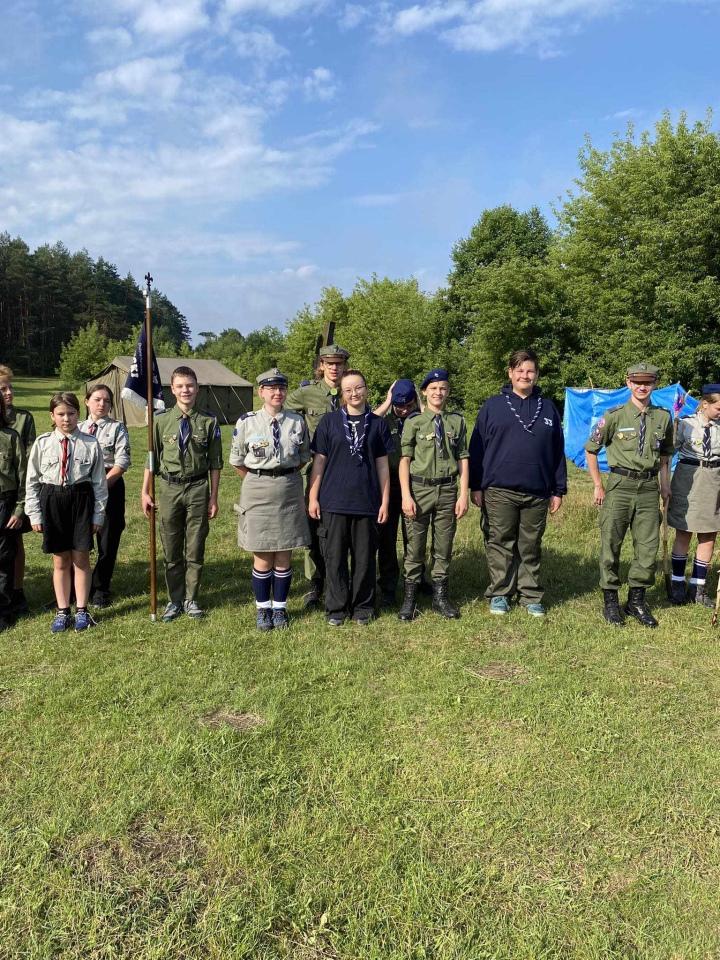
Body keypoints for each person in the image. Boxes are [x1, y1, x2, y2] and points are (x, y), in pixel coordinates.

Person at [469, 349, 566, 617]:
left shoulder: (548, 408)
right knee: (500, 542)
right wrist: (475, 486)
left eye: (530, 371)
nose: (525, 375)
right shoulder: (493, 406)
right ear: (510, 373)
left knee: (530, 544)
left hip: (537, 490)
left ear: (536, 375)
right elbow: (477, 448)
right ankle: (500, 593)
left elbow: (558, 451)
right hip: (499, 489)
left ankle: (531, 594)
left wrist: (558, 489)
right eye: (520, 370)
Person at [585, 362, 674, 628]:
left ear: (655, 384)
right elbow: (591, 449)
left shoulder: (664, 417)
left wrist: (665, 484)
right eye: (637, 382)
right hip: (619, 486)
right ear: (628, 383)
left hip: (648, 488)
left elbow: (667, 453)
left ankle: (636, 601)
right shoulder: (613, 416)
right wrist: (598, 484)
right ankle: (610, 601)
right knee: (611, 545)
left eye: (647, 382)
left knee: (647, 548)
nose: (642, 387)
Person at [308, 369, 393, 626]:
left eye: (359, 388)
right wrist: (313, 497)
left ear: (367, 390)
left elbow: (382, 466)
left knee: (364, 558)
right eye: (348, 390)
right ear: (342, 394)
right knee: (334, 557)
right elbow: (319, 463)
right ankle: (336, 608)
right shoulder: (329, 422)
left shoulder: (378, 424)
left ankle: (363, 607)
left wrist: (385, 500)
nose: (354, 393)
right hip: (333, 500)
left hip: (367, 500)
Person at [230, 368, 311, 631]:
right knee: (263, 553)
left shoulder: (297, 422)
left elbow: (302, 457)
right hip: (257, 489)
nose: (278, 393)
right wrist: (260, 477)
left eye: (282, 388)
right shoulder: (247, 422)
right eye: (271, 388)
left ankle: (280, 608)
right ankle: (263, 608)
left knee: (284, 552)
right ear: (261, 392)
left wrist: (281, 474)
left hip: (289, 488)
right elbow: (237, 461)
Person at [141, 366, 223, 623]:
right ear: (172, 390)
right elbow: (151, 459)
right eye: (180, 386)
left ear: (197, 388)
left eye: (189, 385)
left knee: (195, 546)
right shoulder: (161, 420)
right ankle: (174, 599)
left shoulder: (209, 421)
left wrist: (213, 497)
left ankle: (191, 598)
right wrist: (145, 491)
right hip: (169, 489)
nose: (185, 390)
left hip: (198, 487)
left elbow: (215, 463)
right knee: (171, 546)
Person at [25, 392, 108, 633]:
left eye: (71, 414)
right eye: (60, 414)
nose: (66, 419)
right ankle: (63, 611)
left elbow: (99, 484)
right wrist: (35, 514)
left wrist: (98, 515)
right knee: (60, 560)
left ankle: (82, 610)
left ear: (78, 415)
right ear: (52, 415)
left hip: (81, 501)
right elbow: (32, 482)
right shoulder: (42, 444)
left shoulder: (90, 443)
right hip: (53, 501)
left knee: (81, 558)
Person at [398, 368, 469, 621]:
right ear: (425, 392)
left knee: (444, 546)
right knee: (415, 547)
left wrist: (463, 494)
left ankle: (440, 597)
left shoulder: (456, 422)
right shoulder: (414, 422)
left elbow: (463, 458)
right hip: (419, 489)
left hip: (448, 489)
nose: (439, 392)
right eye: (434, 388)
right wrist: (406, 495)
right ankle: (410, 599)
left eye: (443, 388)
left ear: (448, 392)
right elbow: (405, 460)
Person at [285, 344, 350, 608]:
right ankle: (315, 583)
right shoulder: (306, 393)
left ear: (345, 365)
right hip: (318, 469)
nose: (334, 368)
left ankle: (343, 578)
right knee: (315, 526)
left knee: (345, 526)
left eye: (339, 363)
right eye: (329, 363)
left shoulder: (351, 389)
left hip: (347, 470)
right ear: (321, 365)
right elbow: (284, 412)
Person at [373, 379, 431, 605]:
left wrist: (421, 404)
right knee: (386, 539)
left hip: (415, 484)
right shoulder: (384, 420)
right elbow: (367, 421)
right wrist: (388, 402)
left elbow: (435, 420)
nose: (404, 410)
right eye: (399, 406)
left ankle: (416, 580)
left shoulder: (420, 419)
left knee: (414, 537)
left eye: (408, 405)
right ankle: (387, 585)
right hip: (389, 483)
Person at [667, 384, 720, 606]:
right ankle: (677, 582)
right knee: (684, 531)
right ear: (705, 404)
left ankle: (697, 587)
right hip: (688, 478)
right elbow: (667, 455)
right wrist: (664, 485)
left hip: (714, 480)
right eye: (719, 407)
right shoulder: (685, 423)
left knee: (708, 534)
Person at [79, 384, 131, 608]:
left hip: (110, 487)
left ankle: (100, 588)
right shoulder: (77, 427)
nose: (102, 404)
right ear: (87, 401)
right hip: (81, 490)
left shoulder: (118, 428)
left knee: (108, 540)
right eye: (97, 399)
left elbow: (122, 462)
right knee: (79, 542)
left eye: (107, 401)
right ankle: (78, 588)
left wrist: (101, 487)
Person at [0, 365, 36, 614]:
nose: (9, 392)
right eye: (3, 388)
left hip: (15, 488)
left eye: (10, 387)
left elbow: (30, 455)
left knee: (15, 543)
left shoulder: (23, 418)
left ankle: (17, 589)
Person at [0, 392, 27, 633]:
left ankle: (4, 610)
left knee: (4, 560)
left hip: (4, 504)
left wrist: (19, 509)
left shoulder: (10, 437)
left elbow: (22, 477)